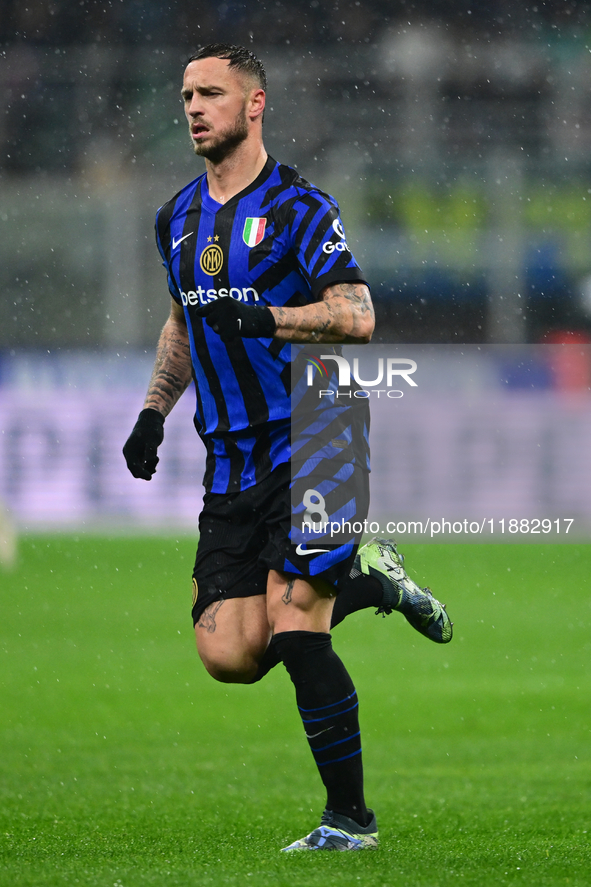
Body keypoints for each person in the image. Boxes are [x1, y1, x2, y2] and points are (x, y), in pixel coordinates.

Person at [123, 43, 452, 852]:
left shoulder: (301, 208)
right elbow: (181, 318)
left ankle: (350, 822)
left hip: (320, 427)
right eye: (185, 93)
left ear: (254, 104)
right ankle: (370, 581)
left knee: (297, 620)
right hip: (232, 454)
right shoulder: (178, 216)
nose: (193, 106)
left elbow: (357, 314)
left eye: (210, 93)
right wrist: (154, 409)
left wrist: (269, 317)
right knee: (228, 652)